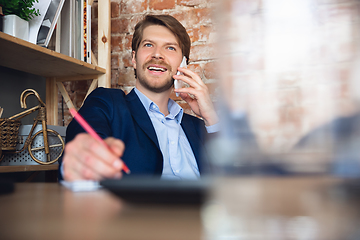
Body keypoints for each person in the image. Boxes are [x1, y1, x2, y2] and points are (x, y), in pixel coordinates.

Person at [59, 14, 219, 181]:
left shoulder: (200, 128)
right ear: (134, 59)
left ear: (183, 64)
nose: (157, 54)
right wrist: (82, 158)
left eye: (170, 48)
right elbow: (84, 142)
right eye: (148, 45)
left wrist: (211, 118)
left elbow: (236, 180)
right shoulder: (107, 104)